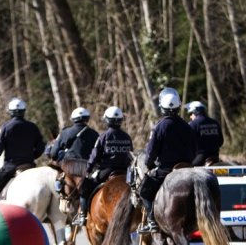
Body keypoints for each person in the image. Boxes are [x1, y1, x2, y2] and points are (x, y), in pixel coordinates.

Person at [137, 88, 197, 234]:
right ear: (178, 107)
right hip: (187, 168)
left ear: (162, 108)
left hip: (165, 170)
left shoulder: (159, 126)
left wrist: (149, 164)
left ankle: (152, 220)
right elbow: (195, 149)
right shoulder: (187, 126)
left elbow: (151, 152)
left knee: (144, 191)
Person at [71, 106, 133, 227]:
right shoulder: (127, 137)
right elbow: (130, 154)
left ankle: (83, 216)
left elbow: (94, 156)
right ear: (121, 120)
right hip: (125, 172)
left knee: (85, 187)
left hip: (107, 171)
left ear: (107, 120)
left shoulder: (103, 136)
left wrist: (88, 169)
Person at [0, 98, 46, 203]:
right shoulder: (33, 127)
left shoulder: (6, 127)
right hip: (29, 165)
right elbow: (41, 147)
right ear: (24, 111)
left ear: (10, 112)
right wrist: (32, 156)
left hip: (11, 167)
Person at [186, 101, 224, 166]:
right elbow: (221, 141)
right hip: (215, 156)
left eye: (191, 113)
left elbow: (188, 143)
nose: (190, 116)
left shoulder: (193, 124)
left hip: (199, 158)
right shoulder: (215, 122)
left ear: (195, 112)